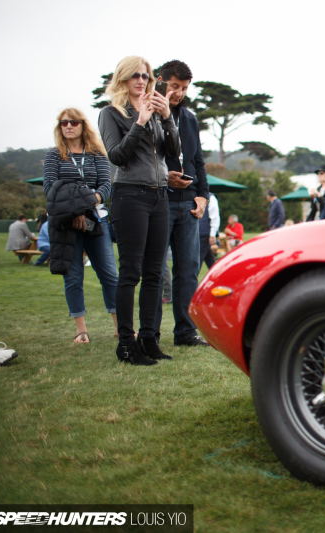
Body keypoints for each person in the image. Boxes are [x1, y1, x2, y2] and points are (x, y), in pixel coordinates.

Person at [99, 56, 180, 365]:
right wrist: (140, 122)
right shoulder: (111, 113)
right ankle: (126, 343)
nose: (141, 80)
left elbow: (174, 151)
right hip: (129, 195)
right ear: (122, 79)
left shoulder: (157, 112)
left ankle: (148, 338)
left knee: (155, 272)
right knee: (130, 271)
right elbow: (117, 156)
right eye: (134, 75)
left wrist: (167, 116)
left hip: (160, 196)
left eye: (145, 75)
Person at [43, 108, 118, 344]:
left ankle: (121, 327)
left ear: (83, 125)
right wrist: (74, 212)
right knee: (73, 276)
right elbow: (50, 189)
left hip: (96, 219)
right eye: (64, 123)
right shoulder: (54, 155)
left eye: (73, 122)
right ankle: (81, 331)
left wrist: (90, 202)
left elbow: (106, 185)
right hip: (66, 224)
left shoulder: (98, 155)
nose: (68, 126)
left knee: (110, 275)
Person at [152, 60, 210, 348]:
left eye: (184, 89)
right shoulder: (144, 113)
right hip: (158, 201)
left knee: (187, 271)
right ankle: (150, 335)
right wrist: (165, 178)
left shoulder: (188, 118)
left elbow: (197, 160)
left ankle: (185, 333)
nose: (178, 93)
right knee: (155, 270)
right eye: (174, 87)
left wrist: (203, 195)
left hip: (189, 204)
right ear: (160, 80)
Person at [199, 193, 220, 269]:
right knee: (210, 259)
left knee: (198, 259)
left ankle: (190, 279)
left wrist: (212, 235)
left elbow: (215, 217)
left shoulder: (211, 198)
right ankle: (218, 277)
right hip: (200, 233)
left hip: (204, 233)